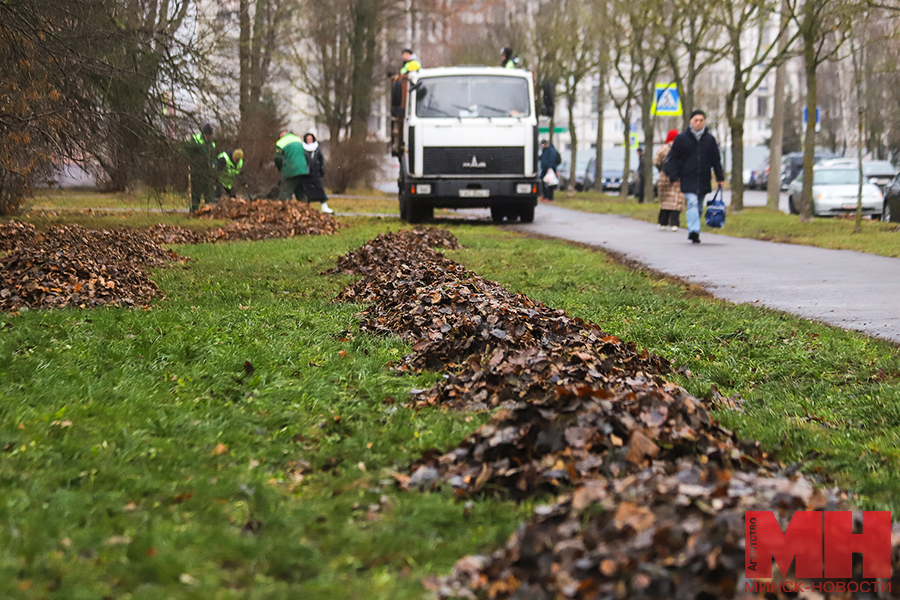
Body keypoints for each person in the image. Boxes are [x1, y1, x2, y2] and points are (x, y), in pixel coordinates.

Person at [665, 109, 725, 244]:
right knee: (692, 202)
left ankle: (694, 228)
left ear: (704, 122)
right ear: (690, 121)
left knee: (698, 207)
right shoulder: (681, 139)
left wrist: (720, 177)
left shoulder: (709, 140)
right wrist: (674, 177)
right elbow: (673, 158)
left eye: (701, 120)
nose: (698, 123)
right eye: (696, 120)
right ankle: (694, 230)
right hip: (687, 177)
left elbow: (716, 159)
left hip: (703, 178)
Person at [654, 129, 684, 231]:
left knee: (665, 199)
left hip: (664, 176)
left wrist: (661, 169)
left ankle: (662, 222)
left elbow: (656, 162)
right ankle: (674, 223)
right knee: (676, 200)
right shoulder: (681, 148)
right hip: (677, 177)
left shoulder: (663, 148)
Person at [183, 123, 216, 212]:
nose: (209, 136)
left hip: (207, 171)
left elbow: (213, 156)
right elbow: (185, 149)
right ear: (204, 134)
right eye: (207, 134)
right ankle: (194, 208)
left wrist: (213, 166)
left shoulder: (212, 144)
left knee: (208, 191)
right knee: (196, 190)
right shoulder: (196, 140)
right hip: (196, 170)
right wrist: (191, 161)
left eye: (210, 135)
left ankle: (209, 208)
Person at [301, 133, 333, 214]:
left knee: (319, 189)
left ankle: (324, 206)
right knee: (307, 190)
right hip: (307, 173)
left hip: (316, 173)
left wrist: (321, 170)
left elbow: (321, 160)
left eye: (310, 139)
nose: (309, 140)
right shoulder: (303, 149)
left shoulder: (317, 149)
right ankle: (306, 207)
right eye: (308, 139)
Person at [275, 131, 309, 202]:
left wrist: (279, 168)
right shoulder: (298, 140)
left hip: (291, 170)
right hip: (302, 169)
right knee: (301, 193)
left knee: (285, 193)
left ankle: (285, 209)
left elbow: (278, 159)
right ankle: (306, 209)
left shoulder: (281, 142)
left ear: (281, 135)